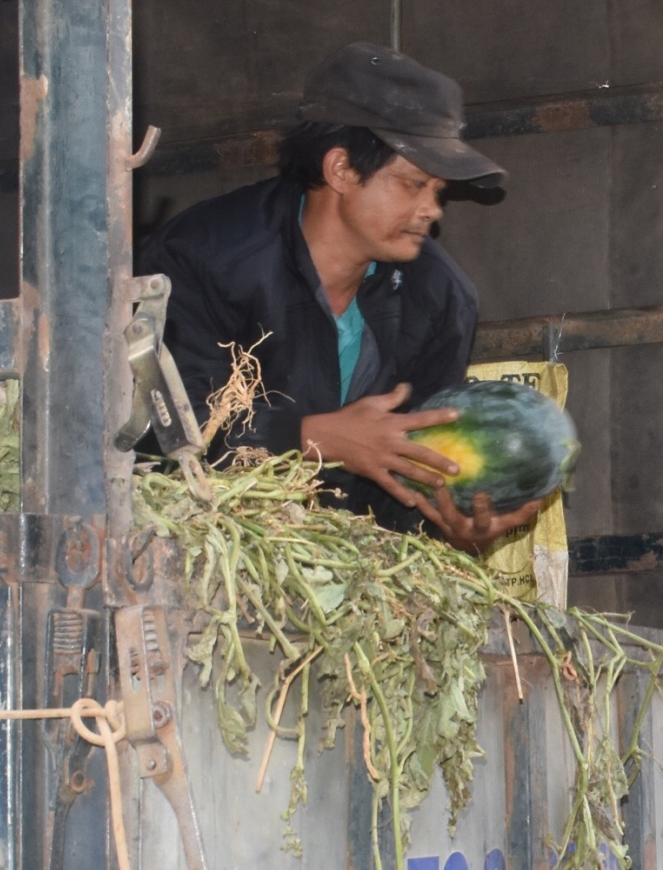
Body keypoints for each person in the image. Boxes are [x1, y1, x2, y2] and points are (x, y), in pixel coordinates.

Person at [139, 42, 546, 553]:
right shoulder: (199, 259)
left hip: (348, 590)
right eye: (412, 184)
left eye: (438, 191)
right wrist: (312, 437)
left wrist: (455, 530)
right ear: (340, 170)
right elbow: (157, 430)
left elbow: (409, 491)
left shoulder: (441, 298)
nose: (431, 210)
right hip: (209, 559)